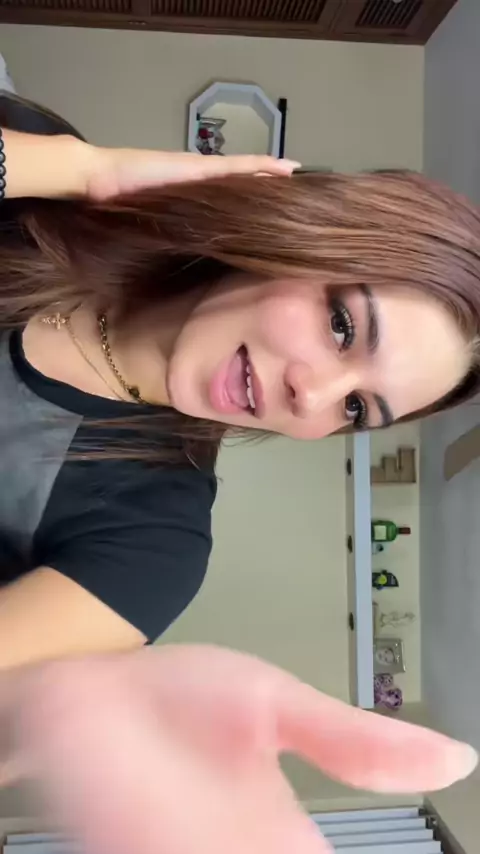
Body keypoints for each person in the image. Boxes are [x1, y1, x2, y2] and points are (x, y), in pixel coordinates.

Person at [0, 103, 479, 854]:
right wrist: (84, 169)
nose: (312, 398)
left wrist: (74, 712)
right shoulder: (45, 184)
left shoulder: (153, 550)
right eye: (342, 327)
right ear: (298, 234)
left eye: (356, 408)